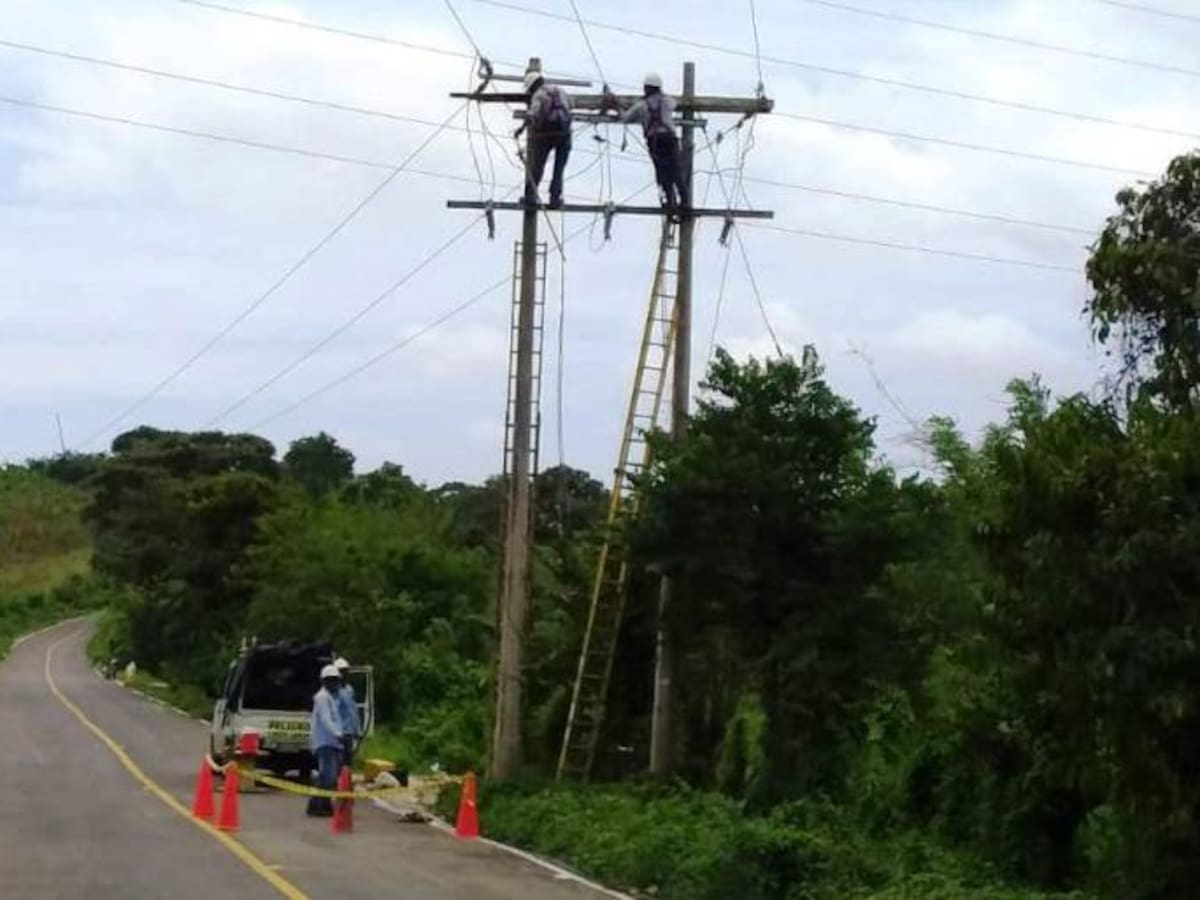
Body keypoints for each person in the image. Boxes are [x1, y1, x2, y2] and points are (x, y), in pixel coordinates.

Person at [620, 73, 689, 218]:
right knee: (676, 171)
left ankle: (670, 203)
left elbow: (625, 118)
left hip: (656, 143)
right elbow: (674, 104)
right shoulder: (667, 101)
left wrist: (616, 107)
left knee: (663, 174)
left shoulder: (642, 106)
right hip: (670, 140)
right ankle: (685, 202)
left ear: (646, 89)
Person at [523, 69, 572, 209]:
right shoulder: (560, 90)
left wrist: (524, 126)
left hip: (547, 134)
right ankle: (555, 198)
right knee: (559, 168)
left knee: (538, 165)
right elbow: (571, 105)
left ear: (532, 86)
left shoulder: (538, 95)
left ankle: (530, 196)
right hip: (564, 134)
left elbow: (533, 114)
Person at [306, 663, 344, 818]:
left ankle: (319, 804)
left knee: (328, 776)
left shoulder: (330, 698)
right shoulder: (322, 698)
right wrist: (338, 733)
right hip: (325, 742)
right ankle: (319, 805)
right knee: (328, 776)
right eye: (331, 680)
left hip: (331, 742)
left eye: (335, 680)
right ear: (324, 681)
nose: (334, 683)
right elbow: (326, 718)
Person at [333, 657, 360, 766]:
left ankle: (345, 781)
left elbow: (353, 710)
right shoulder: (334, 690)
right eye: (342, 671)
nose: (344, 674)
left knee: (348, 760)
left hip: (349, 732)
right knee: (338, 759)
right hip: (339, 732)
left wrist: (357, 729)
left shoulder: (349, 689)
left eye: (346, 671)